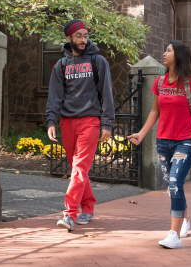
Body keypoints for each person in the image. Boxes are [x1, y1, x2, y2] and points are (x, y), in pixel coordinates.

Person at [128, 41, 191, 249]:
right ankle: (183, 220)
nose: (164, 53)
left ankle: (173, 235)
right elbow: (155, 111)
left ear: (180, 55)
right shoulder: (159, 82)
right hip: (163, 141)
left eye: (168, 50)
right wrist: (141, 133)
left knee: (175, 182)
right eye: (165, 49)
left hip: (186, 140)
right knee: (173, 186)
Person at [46, 19, 115, 231]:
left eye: (86, 35)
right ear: (69, 38)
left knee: (79, 168)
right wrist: (51, 120)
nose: (83, 39)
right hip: (67, 122)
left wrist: (107, 124)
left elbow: (106, 94)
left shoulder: (98, 61)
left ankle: (69, 214)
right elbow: (55, 95)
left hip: (90, 121)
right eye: (79, 36)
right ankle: (88, 205)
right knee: (79, 169)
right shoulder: (62, 65)